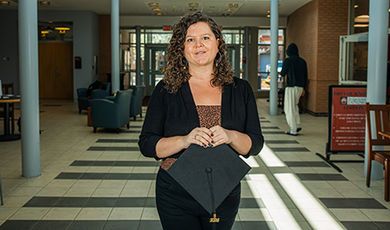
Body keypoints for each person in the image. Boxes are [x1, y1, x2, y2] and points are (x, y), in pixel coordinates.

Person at [138, 12, 264, 230]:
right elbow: (147, 144)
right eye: (190, 39)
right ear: (182, 48)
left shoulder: (240, 89)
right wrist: (185, 140)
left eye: (205, 38)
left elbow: (255, 144)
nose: (199, 45)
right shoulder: (166, 89)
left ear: (217, 43)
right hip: (174, 192)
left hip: (223, 191)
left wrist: (231, 136)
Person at [280, 43, 308, 136]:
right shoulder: (303, 61)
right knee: (295, 106)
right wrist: (304, 88)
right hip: (300, 87)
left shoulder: (288, 61)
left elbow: (283, 73)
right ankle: (297, 124)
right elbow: (305, 76)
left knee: (289, 108)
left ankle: (293, 129)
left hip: (291, 87)